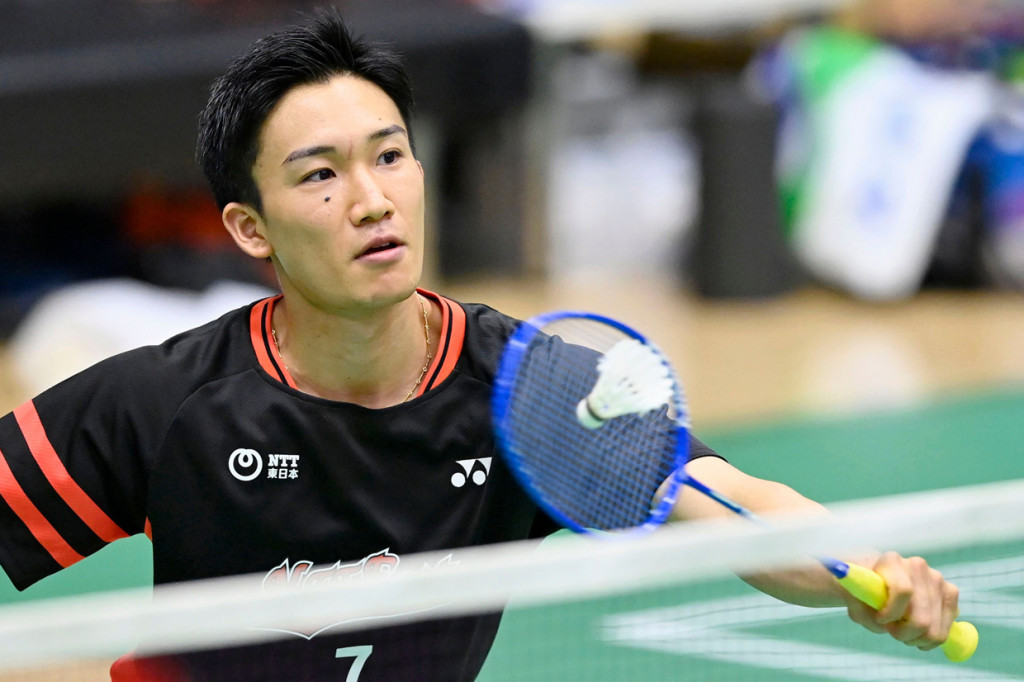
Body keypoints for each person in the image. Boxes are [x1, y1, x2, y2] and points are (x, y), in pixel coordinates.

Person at [0, 9, 960, 681]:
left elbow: (733, 508)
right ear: (251, 230)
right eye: (320, 175)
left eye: (388, 155)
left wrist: (863, 570)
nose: (372, 198)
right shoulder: (170, 404)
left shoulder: (527, 395)